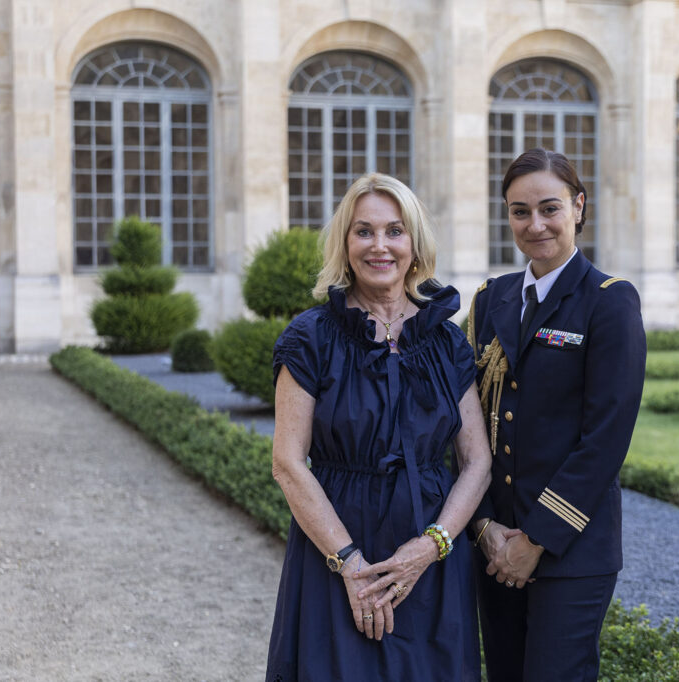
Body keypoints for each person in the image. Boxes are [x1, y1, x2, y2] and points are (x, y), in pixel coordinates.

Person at [264, 172, 492, 682]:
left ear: (414, 243)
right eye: (363, 231)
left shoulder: (447, 343)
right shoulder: (310, 338)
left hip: (431, 555)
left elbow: (476, 462)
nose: (379, 246)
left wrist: (431, 545)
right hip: (337, 550)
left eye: (394, 231)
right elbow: (287, 462)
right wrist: (350, 565)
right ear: (345, 244)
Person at [467, 148, 647, 682]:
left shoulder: (608, 302)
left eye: (550, 208)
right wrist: (484, 529)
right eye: (520, 211)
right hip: (496, 545)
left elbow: (606, 438)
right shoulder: (489, 300)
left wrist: (536, 539)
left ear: (579, 207)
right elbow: (468, 424)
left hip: (570, 551)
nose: (535, 224)